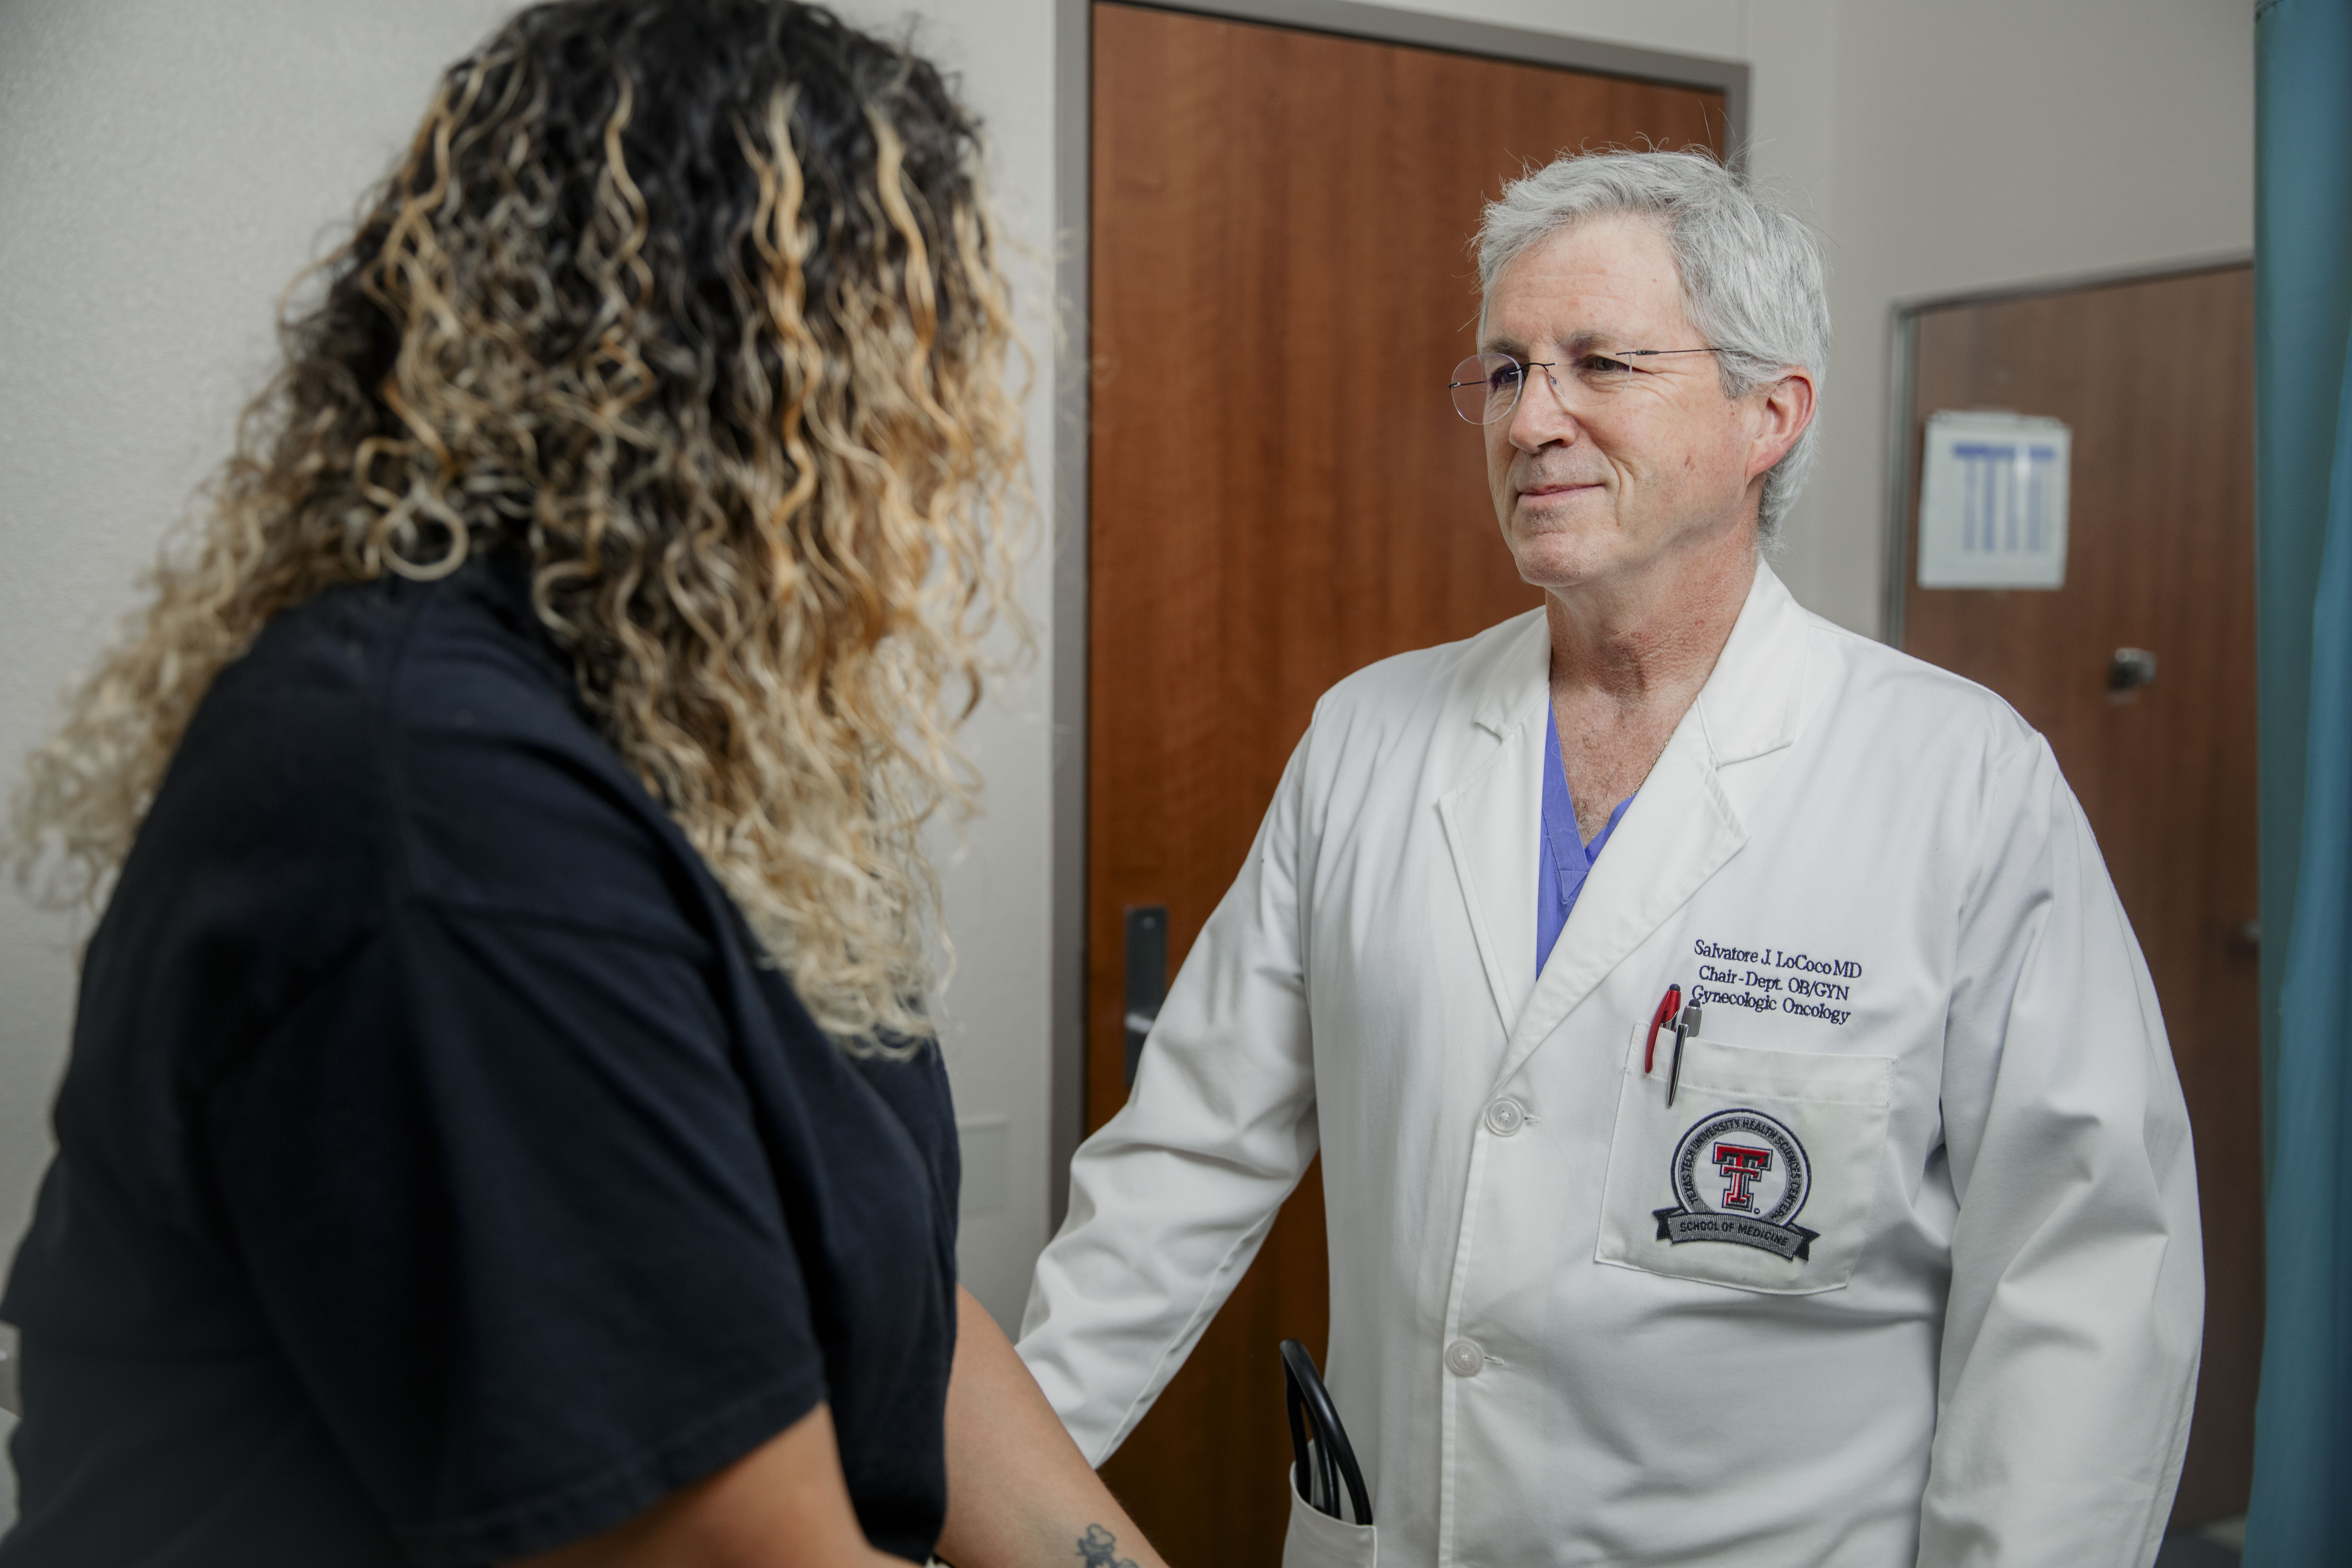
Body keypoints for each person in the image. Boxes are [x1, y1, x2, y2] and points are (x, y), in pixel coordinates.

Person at [0, 5, 1171, 1566]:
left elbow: (869, 1294)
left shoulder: (692, 762)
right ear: (720, 379)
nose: (944, 438)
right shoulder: (435, 801)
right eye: (908, 353)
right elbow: (711, 1548)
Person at [1017, 149, 2203, 1567]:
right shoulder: (1369, 740)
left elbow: (2081, 1290)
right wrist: (971, 1481)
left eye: (1599, 364)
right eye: (1505, 370)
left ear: (1769, 414)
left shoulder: (1961, 785)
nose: (1534, 419)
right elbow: (1183, 1162)